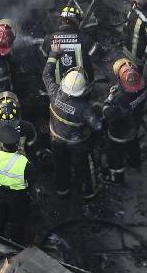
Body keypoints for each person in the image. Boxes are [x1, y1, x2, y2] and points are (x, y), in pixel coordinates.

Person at [43, 42, 102, 198]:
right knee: (83, 167)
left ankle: (62, 190)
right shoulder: (85, 108)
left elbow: (46, 74)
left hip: (56, 139)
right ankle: (88, 193)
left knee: (60, 166)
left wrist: (54, 53)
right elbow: (98, 126)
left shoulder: (54, 93)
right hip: (77, 144)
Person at [0, 125, 33, 243]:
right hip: (18, 196)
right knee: (17, 220)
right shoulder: (23, 161)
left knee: (0, 216)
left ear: (1, 143)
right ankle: (16, 242)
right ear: (17, 144)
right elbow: (32, 178)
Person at [102, 58, 147, 184]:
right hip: (134, 126)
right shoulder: (143, 88)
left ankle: (117, 178)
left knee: (114, 155)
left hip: (119, 133)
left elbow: (108, 113)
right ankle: (135, 163)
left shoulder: (120, 100)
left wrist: (108, 99)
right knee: (133, 145)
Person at [42, 4, 95, 82]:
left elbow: (44, 61)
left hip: (57, 89)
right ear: (76, 21)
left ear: (62, 20)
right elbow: (98, 57)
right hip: (82, 87)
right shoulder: (85, 39)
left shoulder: (49, 39)